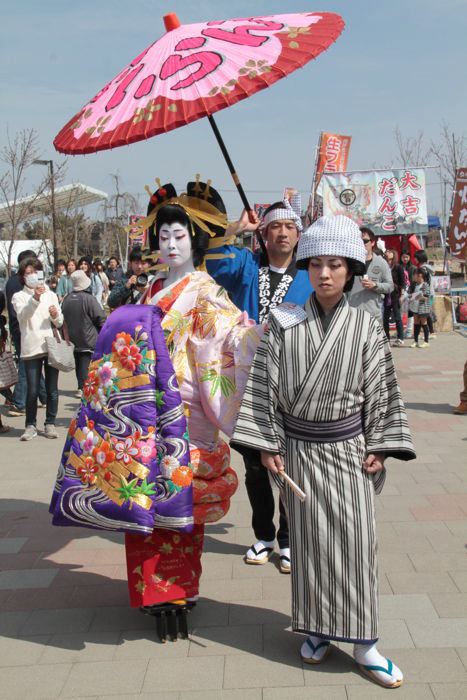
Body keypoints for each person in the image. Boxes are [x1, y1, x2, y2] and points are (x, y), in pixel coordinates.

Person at [232, 215, 416, 689]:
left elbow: (382, 388)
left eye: (335, 264)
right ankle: (315, 630)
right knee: (309, 547)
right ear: (305, 269)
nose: (325, 274)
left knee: (356, 545)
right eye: (315, 264)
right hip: (298, 453)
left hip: (349, 451)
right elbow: (262, 387)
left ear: (351, 268)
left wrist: (380, 443)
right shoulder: (283, 322)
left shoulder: (365, 325)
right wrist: (267, 444)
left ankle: (364, 644)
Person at [124, 180, 264, 619]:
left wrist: (254, 336)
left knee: (181, 509)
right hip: (145, 410)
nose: (169, 244)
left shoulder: (205, 291)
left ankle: (179, 587)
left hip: (186, 413)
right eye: (162, 236)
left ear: (197, 239)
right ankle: (152, 589)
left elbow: (226, 339)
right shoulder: (151, 290)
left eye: (179, 235)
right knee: (145, 502)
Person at [205, 190, 313, 571]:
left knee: (288, 464)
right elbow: (213, 260)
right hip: (247, 385)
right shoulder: (248, 267)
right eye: (274, 228)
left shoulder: (311, 273)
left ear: (299, 234)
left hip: (293, 383)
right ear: (263, 235)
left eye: (289, 227)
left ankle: (287, 538)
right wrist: (237, 228)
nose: (282, 234)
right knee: (253, 466)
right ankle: (263, 534)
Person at [12, 258, 63, 441]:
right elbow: (23, 317)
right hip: (31, 347)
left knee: (52, 390)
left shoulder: (50, 294)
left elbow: (59, 321)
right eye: (27, 273)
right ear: (22, 276)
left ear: (41, 273)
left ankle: (50, 423)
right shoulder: (19, 296)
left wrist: (56, 316)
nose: (32, 276)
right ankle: (30, 425)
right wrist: (35, 298)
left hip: (50, 346)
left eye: (35, 272)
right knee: (32, 390)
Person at [6, 249, 47, 417]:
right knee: (25, 366)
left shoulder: (10, 282)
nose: (33, 273)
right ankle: (20, 401)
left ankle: (44, 397)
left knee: (32, 365)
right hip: (24, 329)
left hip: (21, 328)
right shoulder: (19, 285)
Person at [61, 270, 106, 399]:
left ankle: (81, 386)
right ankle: (84, 388)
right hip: (88, 338)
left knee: (79, 364)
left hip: (72, 338)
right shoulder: (89, 299)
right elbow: (100, 318)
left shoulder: (67, 299)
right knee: (86, 365)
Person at [348, 226, 393, 321]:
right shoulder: (349, 262)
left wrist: (375, 285)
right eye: (358, 241)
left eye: (364, 241)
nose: (361, 244)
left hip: (374, 315)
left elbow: (390, 286)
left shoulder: (381, 262)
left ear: (372, 242)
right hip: (353, 315)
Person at [383, 248, 406, 346]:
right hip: (385, 295)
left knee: (397, 317)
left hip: (395, 295)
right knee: (385, 318)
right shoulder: (383, 266)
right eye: (386, 251)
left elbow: (403, 282)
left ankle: (400, 338)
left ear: (394, 254)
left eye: (389, 251)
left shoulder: (398, 267)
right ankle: (386, 338)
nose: (387, 253)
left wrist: (402, 295)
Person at [414, 250, 436, 338]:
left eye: (415, 257)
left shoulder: (423, 269)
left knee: (425, 313)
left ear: (419, 258)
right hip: (430, 293)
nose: (414, 259)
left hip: (426, 294)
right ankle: (430, 332)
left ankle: (431, 332)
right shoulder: (428, 267)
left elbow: (424, 282)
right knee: (426, 313)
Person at [409, 267, 431, 348]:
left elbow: (426, 297)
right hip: (415, 307)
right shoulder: (415, 285)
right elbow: (411, 294)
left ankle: (426, 341)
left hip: (423, 308)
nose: (413, 276)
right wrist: (410, 297)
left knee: (424, 324)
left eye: (414, 275)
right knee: (416, 323)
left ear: (420, 275)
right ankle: (415, 341)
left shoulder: (425, 284)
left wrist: (418, 297)